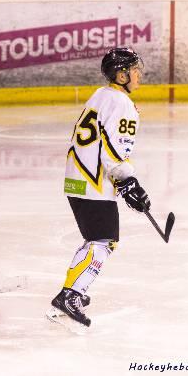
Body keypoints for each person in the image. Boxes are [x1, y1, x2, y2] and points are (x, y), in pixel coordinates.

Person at [46, 47, 151, 330]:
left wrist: (124, 182)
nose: (139, 75)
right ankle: (70, 294)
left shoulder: (101, 95)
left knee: (95, 238)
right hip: (94, 181)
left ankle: (74, 287)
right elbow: (114, 151)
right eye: (134, 70)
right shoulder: (123, 104)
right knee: (104, 241)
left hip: (77, 177)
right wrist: (127, 180)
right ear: (121, 75)